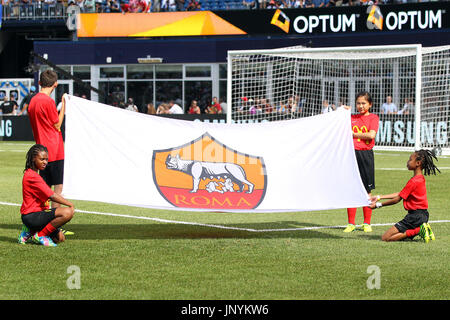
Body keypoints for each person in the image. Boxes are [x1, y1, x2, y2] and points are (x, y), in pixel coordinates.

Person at [370, 149, 440, 242]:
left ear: (418, 163)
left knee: (385, 238)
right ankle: (420, 229)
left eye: (410, 160)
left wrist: (378, 205)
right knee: (394, 236)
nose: (407, 162)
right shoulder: (419, 178)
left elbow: (397, 200)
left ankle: (418, 231)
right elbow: (401, 193)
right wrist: (379, 197)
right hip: (423, 215)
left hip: (415, 216)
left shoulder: (414, 181)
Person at [18, 144, 75, 247]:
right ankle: (40, 235)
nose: (45, 162)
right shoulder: (32, 176)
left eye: (46, 159)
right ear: (33, 158)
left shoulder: (34, 174)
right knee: (67, 212)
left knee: (60, 238)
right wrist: (70, 204)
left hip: (38, 214)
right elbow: (52, 196)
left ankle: (30, 231)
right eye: (42, 159)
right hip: (31, 216)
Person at [343, 91, 380, 233]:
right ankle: (351, 223)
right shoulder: (351, 118)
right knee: (351, 188)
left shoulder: (373, 118)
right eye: (358, 103)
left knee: (366, 190)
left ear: (370, 104)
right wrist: (342, 111)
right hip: (351, 155)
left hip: (366, 155)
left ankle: (366, 223)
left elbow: (371, 135)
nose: (361, 106)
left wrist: (353, 134)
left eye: (364, 103)